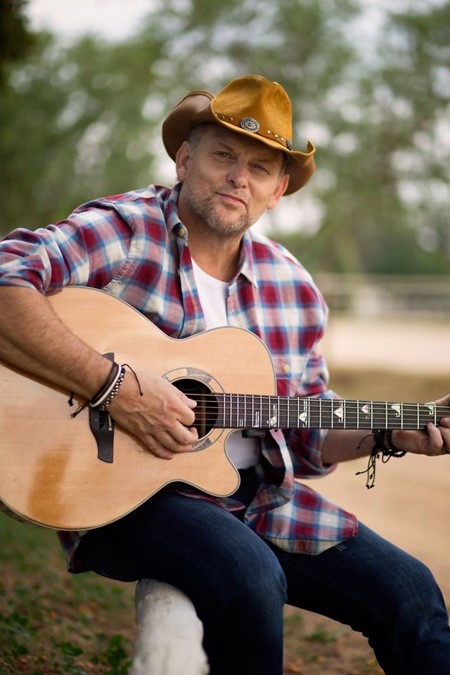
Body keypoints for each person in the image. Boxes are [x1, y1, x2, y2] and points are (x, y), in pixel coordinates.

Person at [1, 74, 450, 675]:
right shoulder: (125, 231)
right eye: (223, 155)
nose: (240, 177)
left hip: (253, 498)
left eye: (260, 168)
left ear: (277, 191)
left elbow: (307, 427)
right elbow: (6, 281)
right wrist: (115, 388)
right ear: (185, 160)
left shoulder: (293, 286)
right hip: (123, 495)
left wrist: (392, 430)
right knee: (249, 573)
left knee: (412, 593)